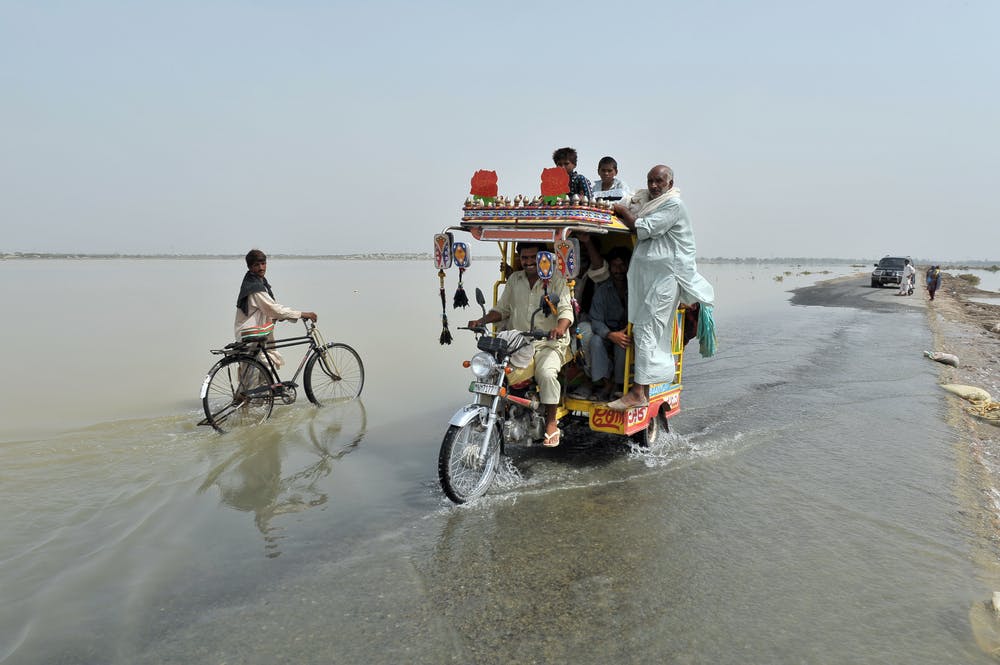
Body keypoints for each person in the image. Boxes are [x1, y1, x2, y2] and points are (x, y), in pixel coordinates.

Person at [607, 165, 715, 410]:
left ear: (670, 182)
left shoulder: (673, 206)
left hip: (666, 280)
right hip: (649, 282)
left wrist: (621, 210)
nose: (653, 186)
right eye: (650, 181)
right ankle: (640, 389)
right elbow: (634, 209)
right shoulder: (650, 203)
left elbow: (640, 227)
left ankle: (638, 393)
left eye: (658, 181)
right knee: (643, 332)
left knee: (647, 331)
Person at [467, 242, 574, 447]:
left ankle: (552, 423)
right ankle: (489, 413)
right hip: (518, 340)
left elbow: (565, 310)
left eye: (533, 257)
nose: (528, 262)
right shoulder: (515, 279)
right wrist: (482, 321)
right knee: (492, 369)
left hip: (548, 342)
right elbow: (502, 309)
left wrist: (560, 327)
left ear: (544, 258)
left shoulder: (557, 280)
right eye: (524, 258)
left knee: (546, 373)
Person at [235, 249, 317, 369]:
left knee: (263, 369)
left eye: (263, 263)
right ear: (250, 267)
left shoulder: (256, 281)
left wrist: (281, 316)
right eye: (256, 265)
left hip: (256, 332)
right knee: (263, 368)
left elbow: (268, 310)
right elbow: (273, 309)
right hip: (251, 334)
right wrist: (302, 314)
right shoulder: (255, 287)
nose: (261, 267)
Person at [587, 246, 631, 401]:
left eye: (622, 266)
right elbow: (596, 319)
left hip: (629, 333)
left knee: (623, 343)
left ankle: (619, 384)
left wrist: (622, 333)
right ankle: (604, 383)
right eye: (614, 266)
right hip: (608, 333)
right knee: (595, 340)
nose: (618, 270)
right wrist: (610, 334)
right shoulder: (603, 290)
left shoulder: (635, 289)